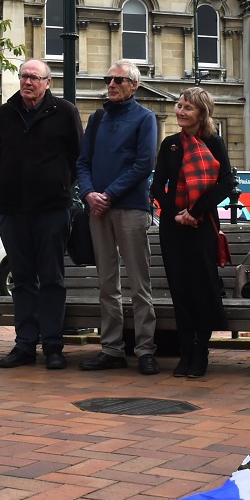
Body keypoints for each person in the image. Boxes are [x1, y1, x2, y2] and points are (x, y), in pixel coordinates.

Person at [0, 60, 82, 370]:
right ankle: (25, 345)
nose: (27, 81)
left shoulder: (65, 112)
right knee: (23, 279)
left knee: (52, 279)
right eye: (24, 76)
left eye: (34, 77)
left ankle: (54, 346)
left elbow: (76, 156)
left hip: (52, 210)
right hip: (13, 210)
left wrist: (57, 184)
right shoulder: (4, 114)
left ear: (48, 82)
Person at [77, 60, 159, 374]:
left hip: (131, 209)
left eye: (119, 80)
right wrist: (89, 194)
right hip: (98, 209)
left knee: (140, 283)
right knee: (106, 283)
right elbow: (82, 163)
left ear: (134, 85)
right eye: (108, 79)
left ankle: (145, 349)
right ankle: (111, 349)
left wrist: (108, 194)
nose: (111, 84)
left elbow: (144, 164)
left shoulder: (145, 118)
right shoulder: (97, 119)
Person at [151, 87, 233, 378]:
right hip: (174, 227)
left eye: (187, 107)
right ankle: (185, 352)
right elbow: (157, 186)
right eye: (179, 105)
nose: (180, 111)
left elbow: (226, 183)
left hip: (202, 227)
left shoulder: (214, 143)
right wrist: (175, 212)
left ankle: (201, 353)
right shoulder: (170, 144)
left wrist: (195, 211)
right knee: (180, 291)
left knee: (201, 289)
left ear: (201, 113)